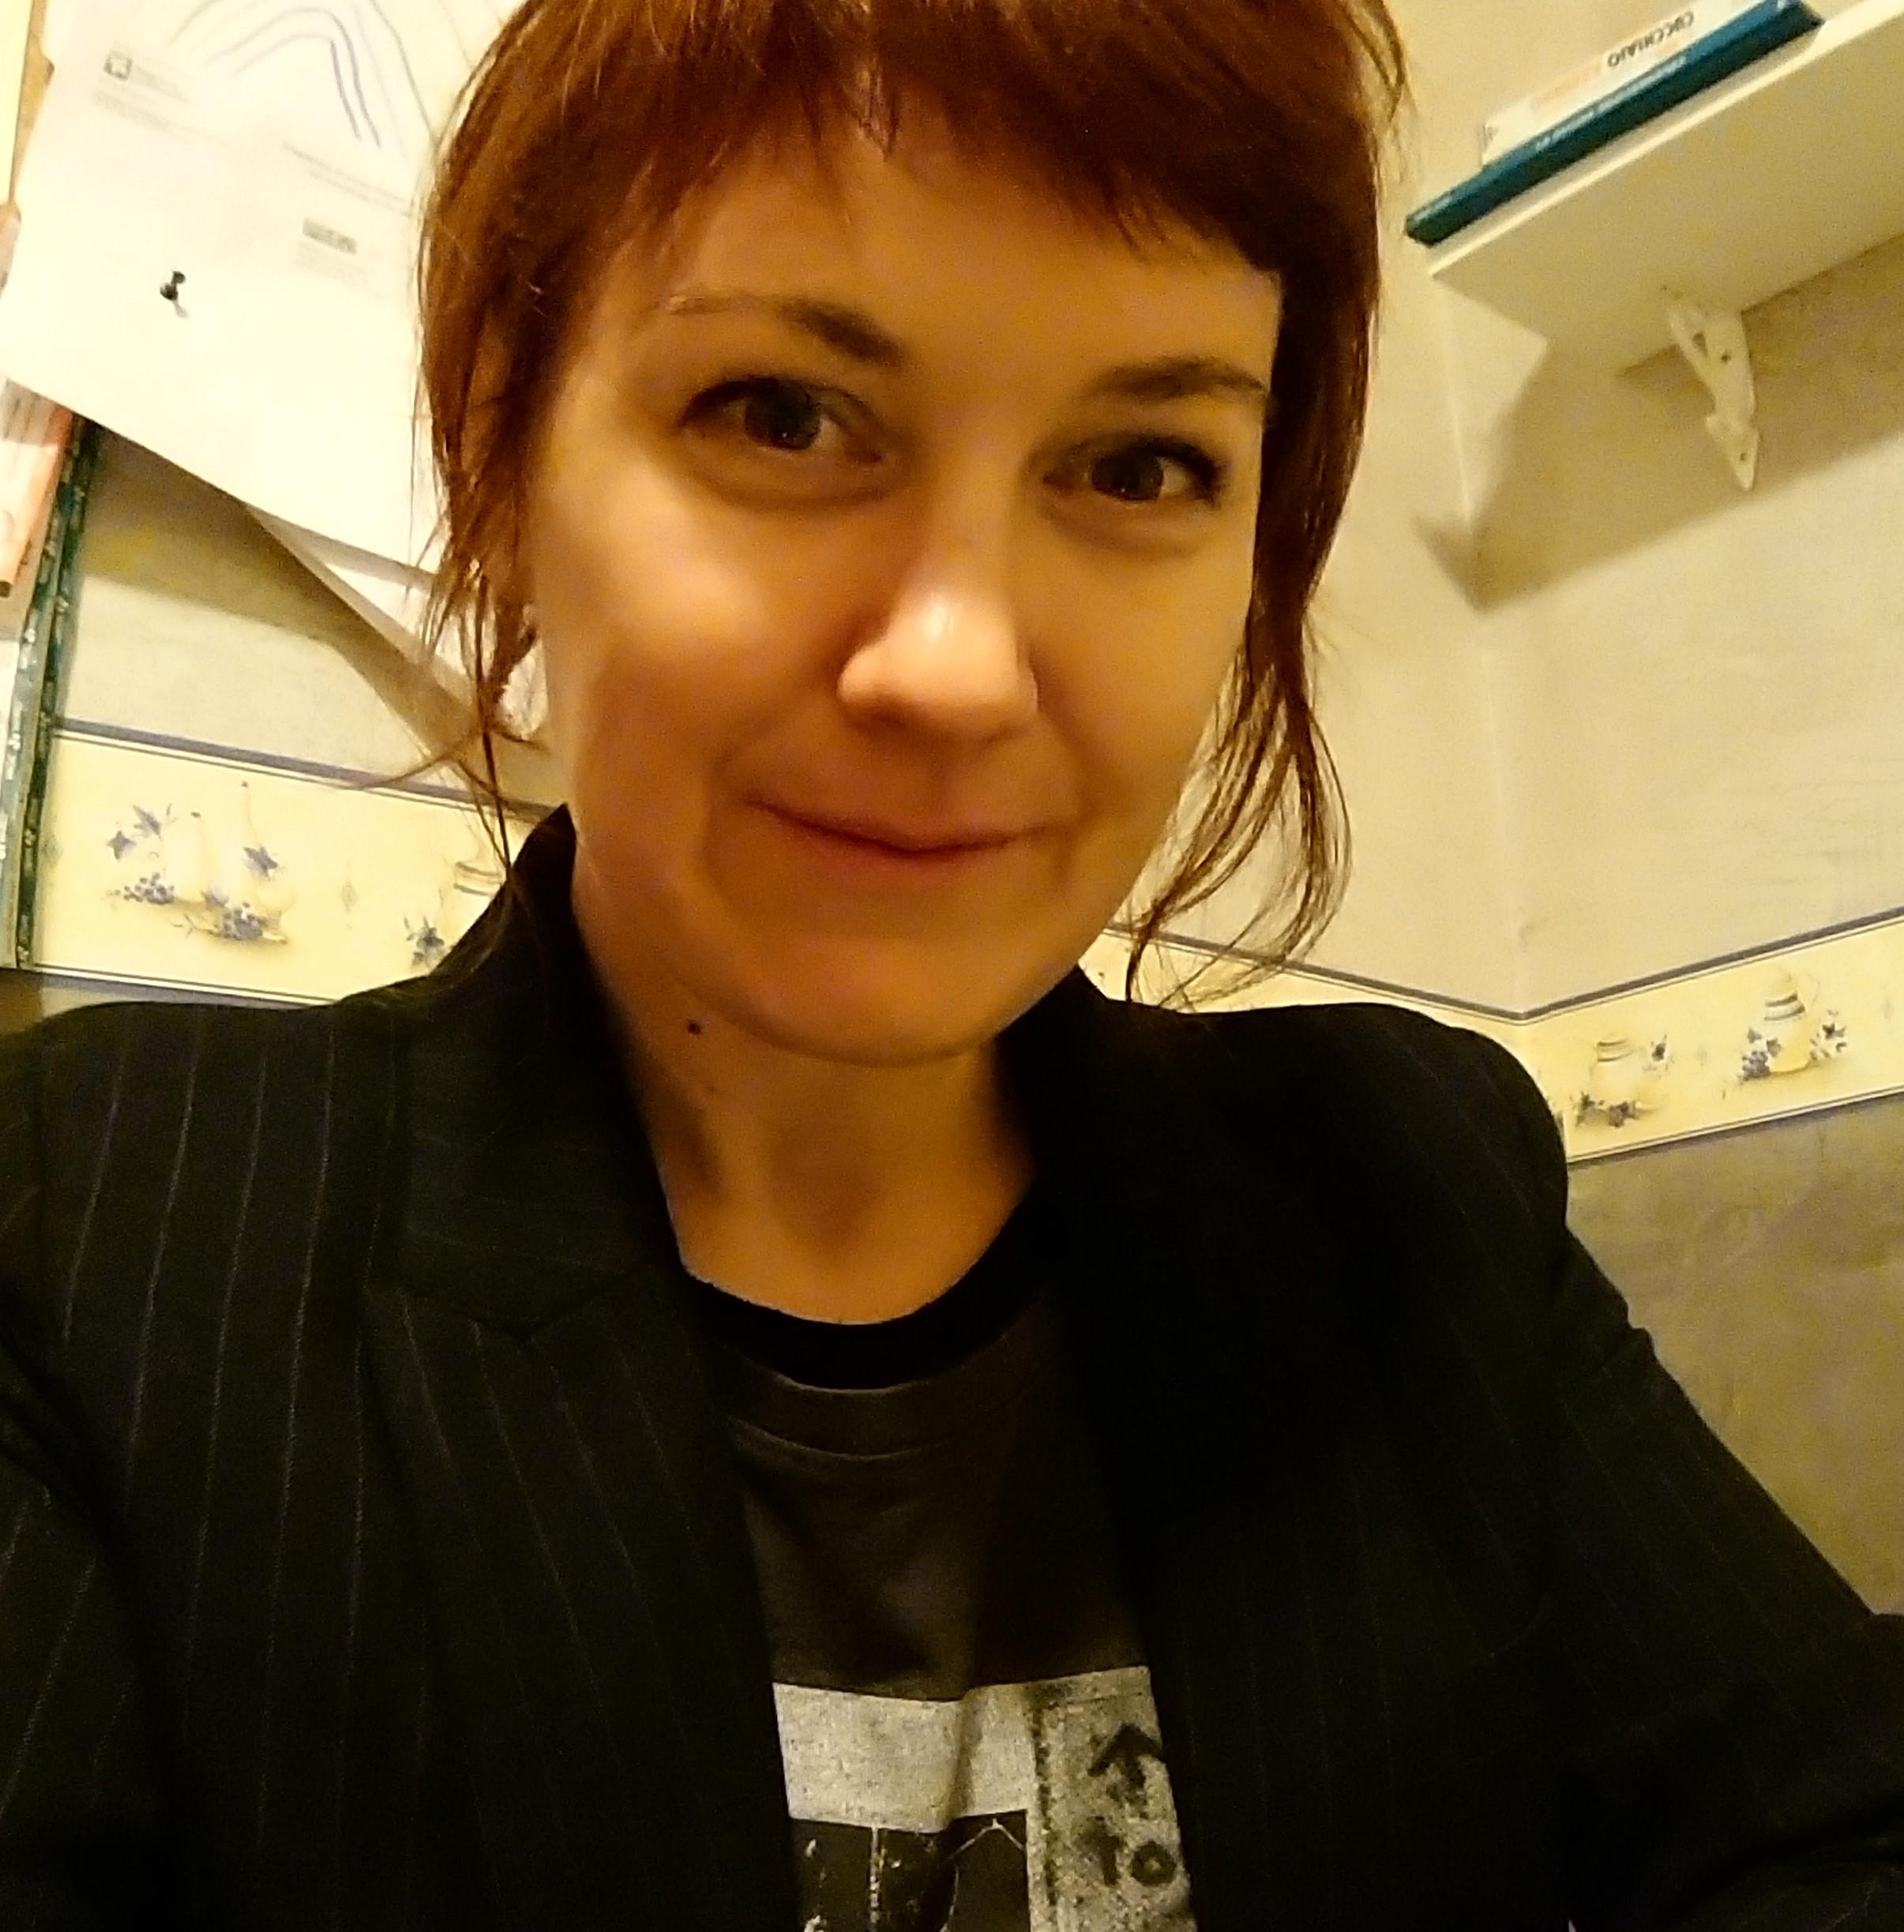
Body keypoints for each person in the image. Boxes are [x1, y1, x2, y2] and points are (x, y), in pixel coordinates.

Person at [2, 0, 1902, 1924]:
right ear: (503, 450)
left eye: (1140, 465)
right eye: (782, 415)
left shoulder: (1412, 1192)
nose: (959, 667)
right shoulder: (100, 1231)